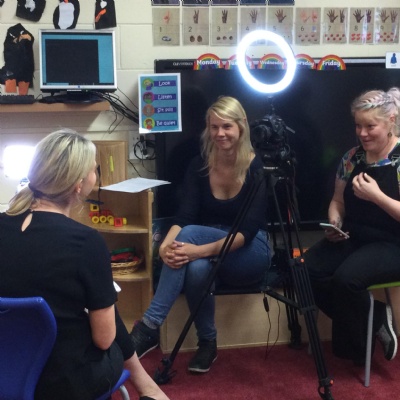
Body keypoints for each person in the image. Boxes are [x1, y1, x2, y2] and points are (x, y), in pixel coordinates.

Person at [0, 129, 170, 400]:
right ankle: (148, 387)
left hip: (7, 368)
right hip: (63, 383)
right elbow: (104, 340)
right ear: (79, 185)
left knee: (101, 299)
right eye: (95, 169)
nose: (96, 174)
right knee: (106, 308)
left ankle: (148, 386)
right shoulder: (86, 242)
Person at [131, 96, 271, 373]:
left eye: (227, 126)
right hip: (209, 248)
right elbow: (184, 217)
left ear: (242, 126)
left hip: (251, 251)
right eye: (214, 127)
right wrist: (165, 247)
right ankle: (207, 343)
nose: (220, 133)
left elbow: (246, 232)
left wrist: (195, 250)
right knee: (195, 268)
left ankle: (149, 326)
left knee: (192, 238)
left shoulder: (258, 169)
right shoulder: (200, 164)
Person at [304, 88, 400, 366]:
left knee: (346, 279)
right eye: (358, 126)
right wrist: (335, 222)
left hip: (392, 243)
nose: (362, 133)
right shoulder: (351, 158)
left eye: (370, 126)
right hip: (354, 236)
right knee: (305, 270)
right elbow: (337, 201)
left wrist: (377, 196)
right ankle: (375, 318)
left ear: (391, 121)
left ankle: (358, 346)